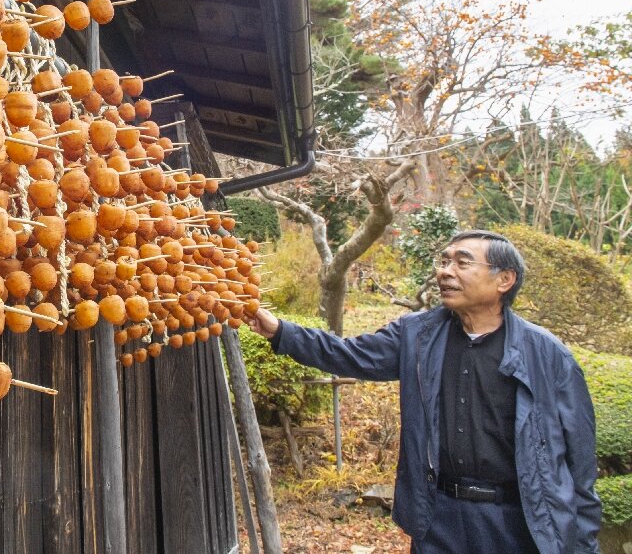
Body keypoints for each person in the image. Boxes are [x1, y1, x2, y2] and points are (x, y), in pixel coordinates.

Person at [247, 230, 601, 553]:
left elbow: (580, 465)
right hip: (440, 516)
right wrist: (281, 331)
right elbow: (350, 354)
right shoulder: (419, 335)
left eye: (462, 262)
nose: (446, 271)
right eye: (444, 261)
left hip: (518, 521)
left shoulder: (547, 355)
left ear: (504, 280)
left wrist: (583, 545)